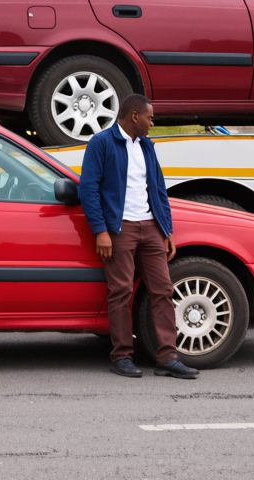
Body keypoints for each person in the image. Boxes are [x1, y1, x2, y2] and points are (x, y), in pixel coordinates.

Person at [78, 94, 199, 379]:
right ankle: (121, 356)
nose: (152, 122)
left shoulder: (146, 146)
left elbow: (158, 189)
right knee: (121, 291)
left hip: (151, 228)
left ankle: (168, 358)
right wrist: (101, 231)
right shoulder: (102, 143)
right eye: (149, 117)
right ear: (134, 116)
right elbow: (88, 189)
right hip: (120, 230)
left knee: (163, 291)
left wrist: (166, 229)